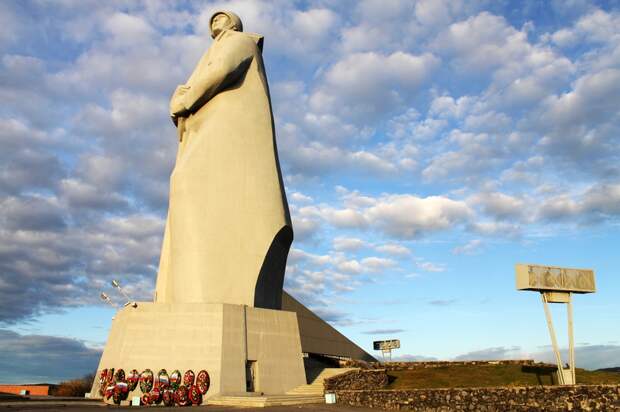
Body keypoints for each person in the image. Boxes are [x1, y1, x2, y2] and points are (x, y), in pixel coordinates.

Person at [155, 11, 293, 309]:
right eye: (212, 20)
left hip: (225, 133)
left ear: (234, 24)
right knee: (187, 188)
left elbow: (217, 73)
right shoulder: (215, 49)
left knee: (188, 183)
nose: (215, 22)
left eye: (222, 18)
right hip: (210, 131)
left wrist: (182, 99)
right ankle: (186, 292)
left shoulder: (240, 42)